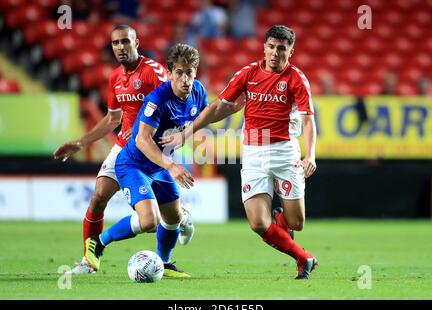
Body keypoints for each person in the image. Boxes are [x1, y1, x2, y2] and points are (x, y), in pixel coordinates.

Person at [161, 25, 318, 279]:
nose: (275, 53)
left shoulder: (296, 79)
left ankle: (282, 222)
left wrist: (309, 155)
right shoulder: (248, 74)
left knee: (296, 223)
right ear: (264, 47)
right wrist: (184, 134)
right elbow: (216, 108)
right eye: (271, 47)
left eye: (281, 48)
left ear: (291, 50)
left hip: (284, 152)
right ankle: (304, 258)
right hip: (253, 152)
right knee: (257, 223)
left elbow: (308, 121)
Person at [53, 25, 194, 274]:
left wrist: (144, 129)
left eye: (125, 42)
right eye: (116, 43)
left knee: (164, 218)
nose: (120, 47)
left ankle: (174, 234)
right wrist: (81, 142)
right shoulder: (115, 76)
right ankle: (89, 261)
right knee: (99, 196)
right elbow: (112, 119)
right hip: (124, 149)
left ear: (136, 42)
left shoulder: (154, 72)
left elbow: (169, 102)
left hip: (149, 147)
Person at [84, 43, 207, 277]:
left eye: (189, 72)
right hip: (134, 164)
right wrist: (171, 166)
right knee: (150, 221)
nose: (185, 79)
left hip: (158, 166)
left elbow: (203, 117)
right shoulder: (157, 99)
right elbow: (142, 140)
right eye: (179, 73)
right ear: (169, 73)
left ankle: (165, 262)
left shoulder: (199, 92)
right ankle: (98, 242)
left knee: (173, 217)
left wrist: (184, 136)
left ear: (195, 73)